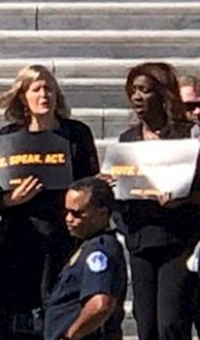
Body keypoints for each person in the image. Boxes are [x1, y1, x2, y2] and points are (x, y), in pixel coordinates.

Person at [0, 64, 100, 340]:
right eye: (36, 89)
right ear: (23, 97)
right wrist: (13, 199)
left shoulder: (76, 134)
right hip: (20, 240)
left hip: (65, 237)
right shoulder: (8, 137)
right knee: (15, 319)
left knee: (60, 312)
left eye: (49, 88)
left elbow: (90, 182)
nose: (44, 94)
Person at [117, 62, 200, 340]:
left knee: (171, 324)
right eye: (133, 91)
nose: (137, 97)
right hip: (141, 241)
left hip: (179, 241)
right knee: (147, 326)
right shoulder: (127, 140)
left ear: (163, 95)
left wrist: (183, 200)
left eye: (145, 90)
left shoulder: (188, 136)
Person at [45, 177, 127, 340]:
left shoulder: (100, 251)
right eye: (66, 211)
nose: (69, 219)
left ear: (102, 213)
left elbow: (100, 305)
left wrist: (71, 335)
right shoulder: (86, 246)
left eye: (77, 213)